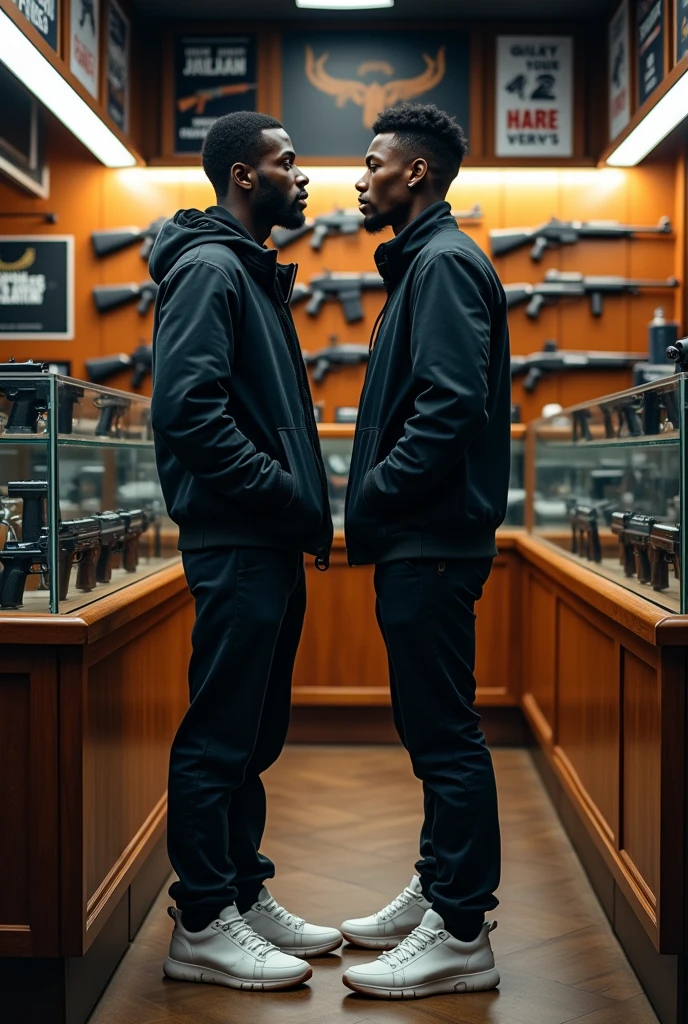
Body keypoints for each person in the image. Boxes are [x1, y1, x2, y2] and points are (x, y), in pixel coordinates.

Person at [150, 111, 341, 993]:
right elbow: (188, 412)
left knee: (252, 737)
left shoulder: (249, 271)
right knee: (217, 738)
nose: (302, 178)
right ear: (242, 176)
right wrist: (285, 492)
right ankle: (201, 919)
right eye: (287, 163)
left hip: (263, 538)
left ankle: (240, 890)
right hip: (237, 537)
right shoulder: (211, 270)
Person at [341, 103, 511, 999]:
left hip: (431, 535)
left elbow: (447, 407)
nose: (358, 178)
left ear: (417, 175)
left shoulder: (441, 264)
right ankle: (440, 886)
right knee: (431, 730)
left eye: (373, 163)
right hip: (426, 533)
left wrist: (375, 492)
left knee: (444, 736)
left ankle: (460, 928)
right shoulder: (427, 262)